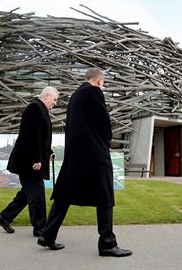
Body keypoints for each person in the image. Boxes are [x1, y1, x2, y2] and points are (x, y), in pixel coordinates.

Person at [37, 68, 132, 257]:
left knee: (64, 194)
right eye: (103, 83)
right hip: (94, 154)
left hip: (75, 155)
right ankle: (107, 243)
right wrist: (105, 145)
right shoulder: (94, 92)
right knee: (104, 194)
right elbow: (104, 122)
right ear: (99, 81)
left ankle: (47, 235)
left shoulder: (75, 96)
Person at [0, 86, 59, 237]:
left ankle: (4, 217)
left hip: (31, 160)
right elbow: (31, 136)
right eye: (54, 100)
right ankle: (40, 229)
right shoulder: (34, 108)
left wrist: (48, 152)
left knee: (27, 193)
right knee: (37, 194)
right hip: (29, 162)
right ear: (47, 96)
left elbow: (40, 136)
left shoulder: (39, 108)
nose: (55, 103)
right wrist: (36, 159)